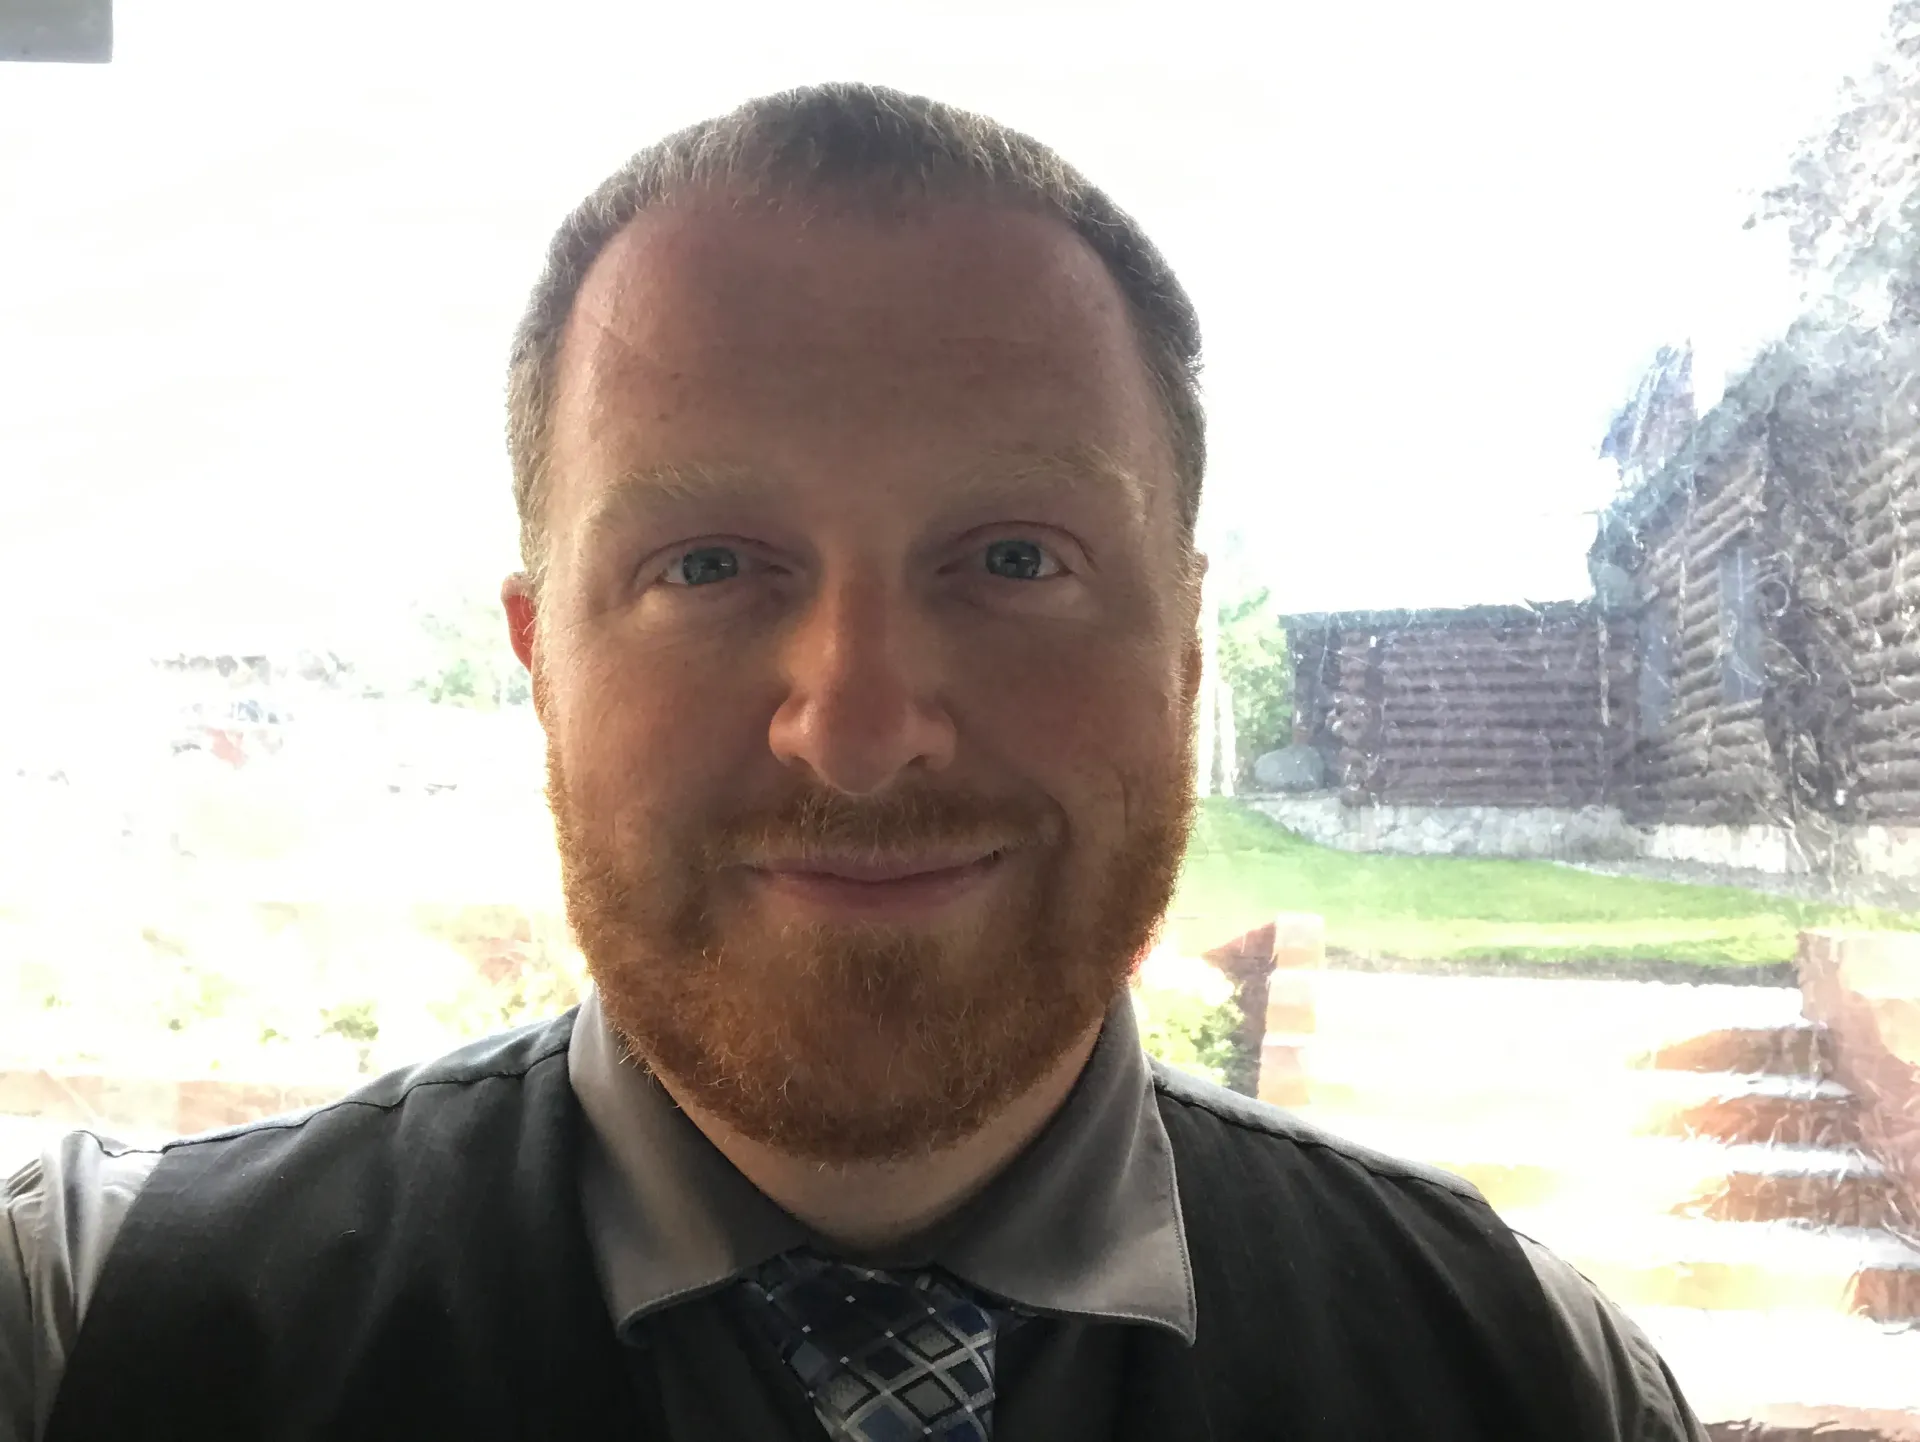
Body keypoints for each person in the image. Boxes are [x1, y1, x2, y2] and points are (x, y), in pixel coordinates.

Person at [0, 83, 1706, 1441]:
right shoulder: (80, 1330)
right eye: (708, 566)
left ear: (1185, 653)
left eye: (1017, 558)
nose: (865, 726)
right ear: (540, 663)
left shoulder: (1535, 1381)